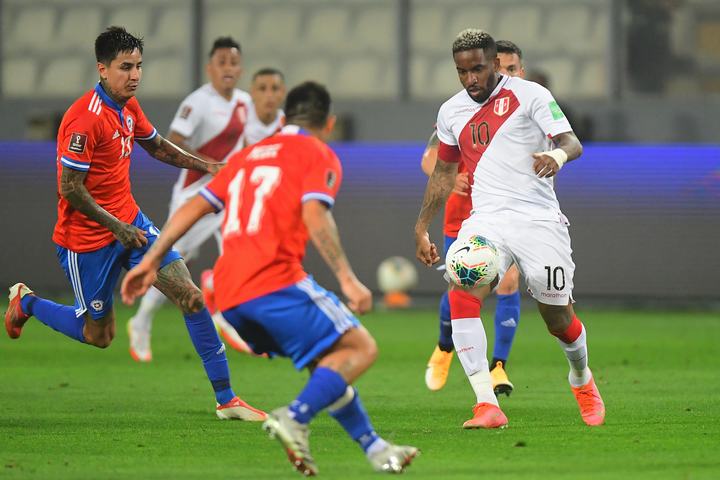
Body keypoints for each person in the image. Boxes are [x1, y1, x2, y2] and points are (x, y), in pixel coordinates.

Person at [121, 81, 419, 475]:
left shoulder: (246, 157)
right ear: (329, 123)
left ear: (283, 119)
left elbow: (194, 206)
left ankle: (375, 448)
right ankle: (294, 418)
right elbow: (315, 215)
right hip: (273, 283)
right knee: (360, 348)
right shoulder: (318, 153)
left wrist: (150, 261)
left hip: (229, 296)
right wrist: (347, 279)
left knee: (327, 364)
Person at [3, 27, 264, 422]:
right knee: (99, 335)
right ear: (102, 69)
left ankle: (226, 399)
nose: (135, 75)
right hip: (86, 240)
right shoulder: (84, 120)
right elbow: (69, 188)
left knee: (191, 297)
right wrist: (115, 227)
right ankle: (28, 302)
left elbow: (157, 145)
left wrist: (208, 166)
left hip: (133, 226)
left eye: (139, 66)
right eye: (126, 67)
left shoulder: (128, 106)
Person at [414, 28, 605, 429]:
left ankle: (581, 377)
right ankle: (486, 403)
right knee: (463, 285)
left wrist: (556, 157)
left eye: (478, 70)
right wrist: (422, 226)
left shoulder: (530, 95)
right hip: (487, 219)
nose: (470, 79)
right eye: (462, 72)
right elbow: (444, 172)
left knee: (558, 317)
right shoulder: (451, 111)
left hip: (538, 219)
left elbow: (572, 143)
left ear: (495, 64)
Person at [126, 39, 282, 361]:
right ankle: (141, 321)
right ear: (210, 68)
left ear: (240, 69)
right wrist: (211, 164)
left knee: (239, 254)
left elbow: (256, 138)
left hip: (229, 195)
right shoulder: (198, 102)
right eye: (222, 62)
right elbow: (174, 141)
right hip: (194, 194)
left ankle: (230, 315)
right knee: (174, 261)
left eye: (233, 62)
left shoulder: (246, 102)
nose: (228, 68)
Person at [423, 39, 525, 396]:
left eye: (513, 69)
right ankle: (444, 346)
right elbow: (430, 160)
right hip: (464, 217)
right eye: (502, 68)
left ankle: (498, 367)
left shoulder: (530, 108)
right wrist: (451, 180)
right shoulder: (463, 108)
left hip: (509, 217)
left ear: (520, 71)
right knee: (460, 284)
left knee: (508, 283)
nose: (507, 74)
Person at [197, 67, 287, 341]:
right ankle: (228, 311)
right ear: (252, 93)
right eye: (262, 88)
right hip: (232, 199)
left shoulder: (285, 124)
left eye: (275, 89)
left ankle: (215, 286)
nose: (269, 95)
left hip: (266, 202)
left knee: (260, 262)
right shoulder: (240, 121)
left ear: (282, 93)